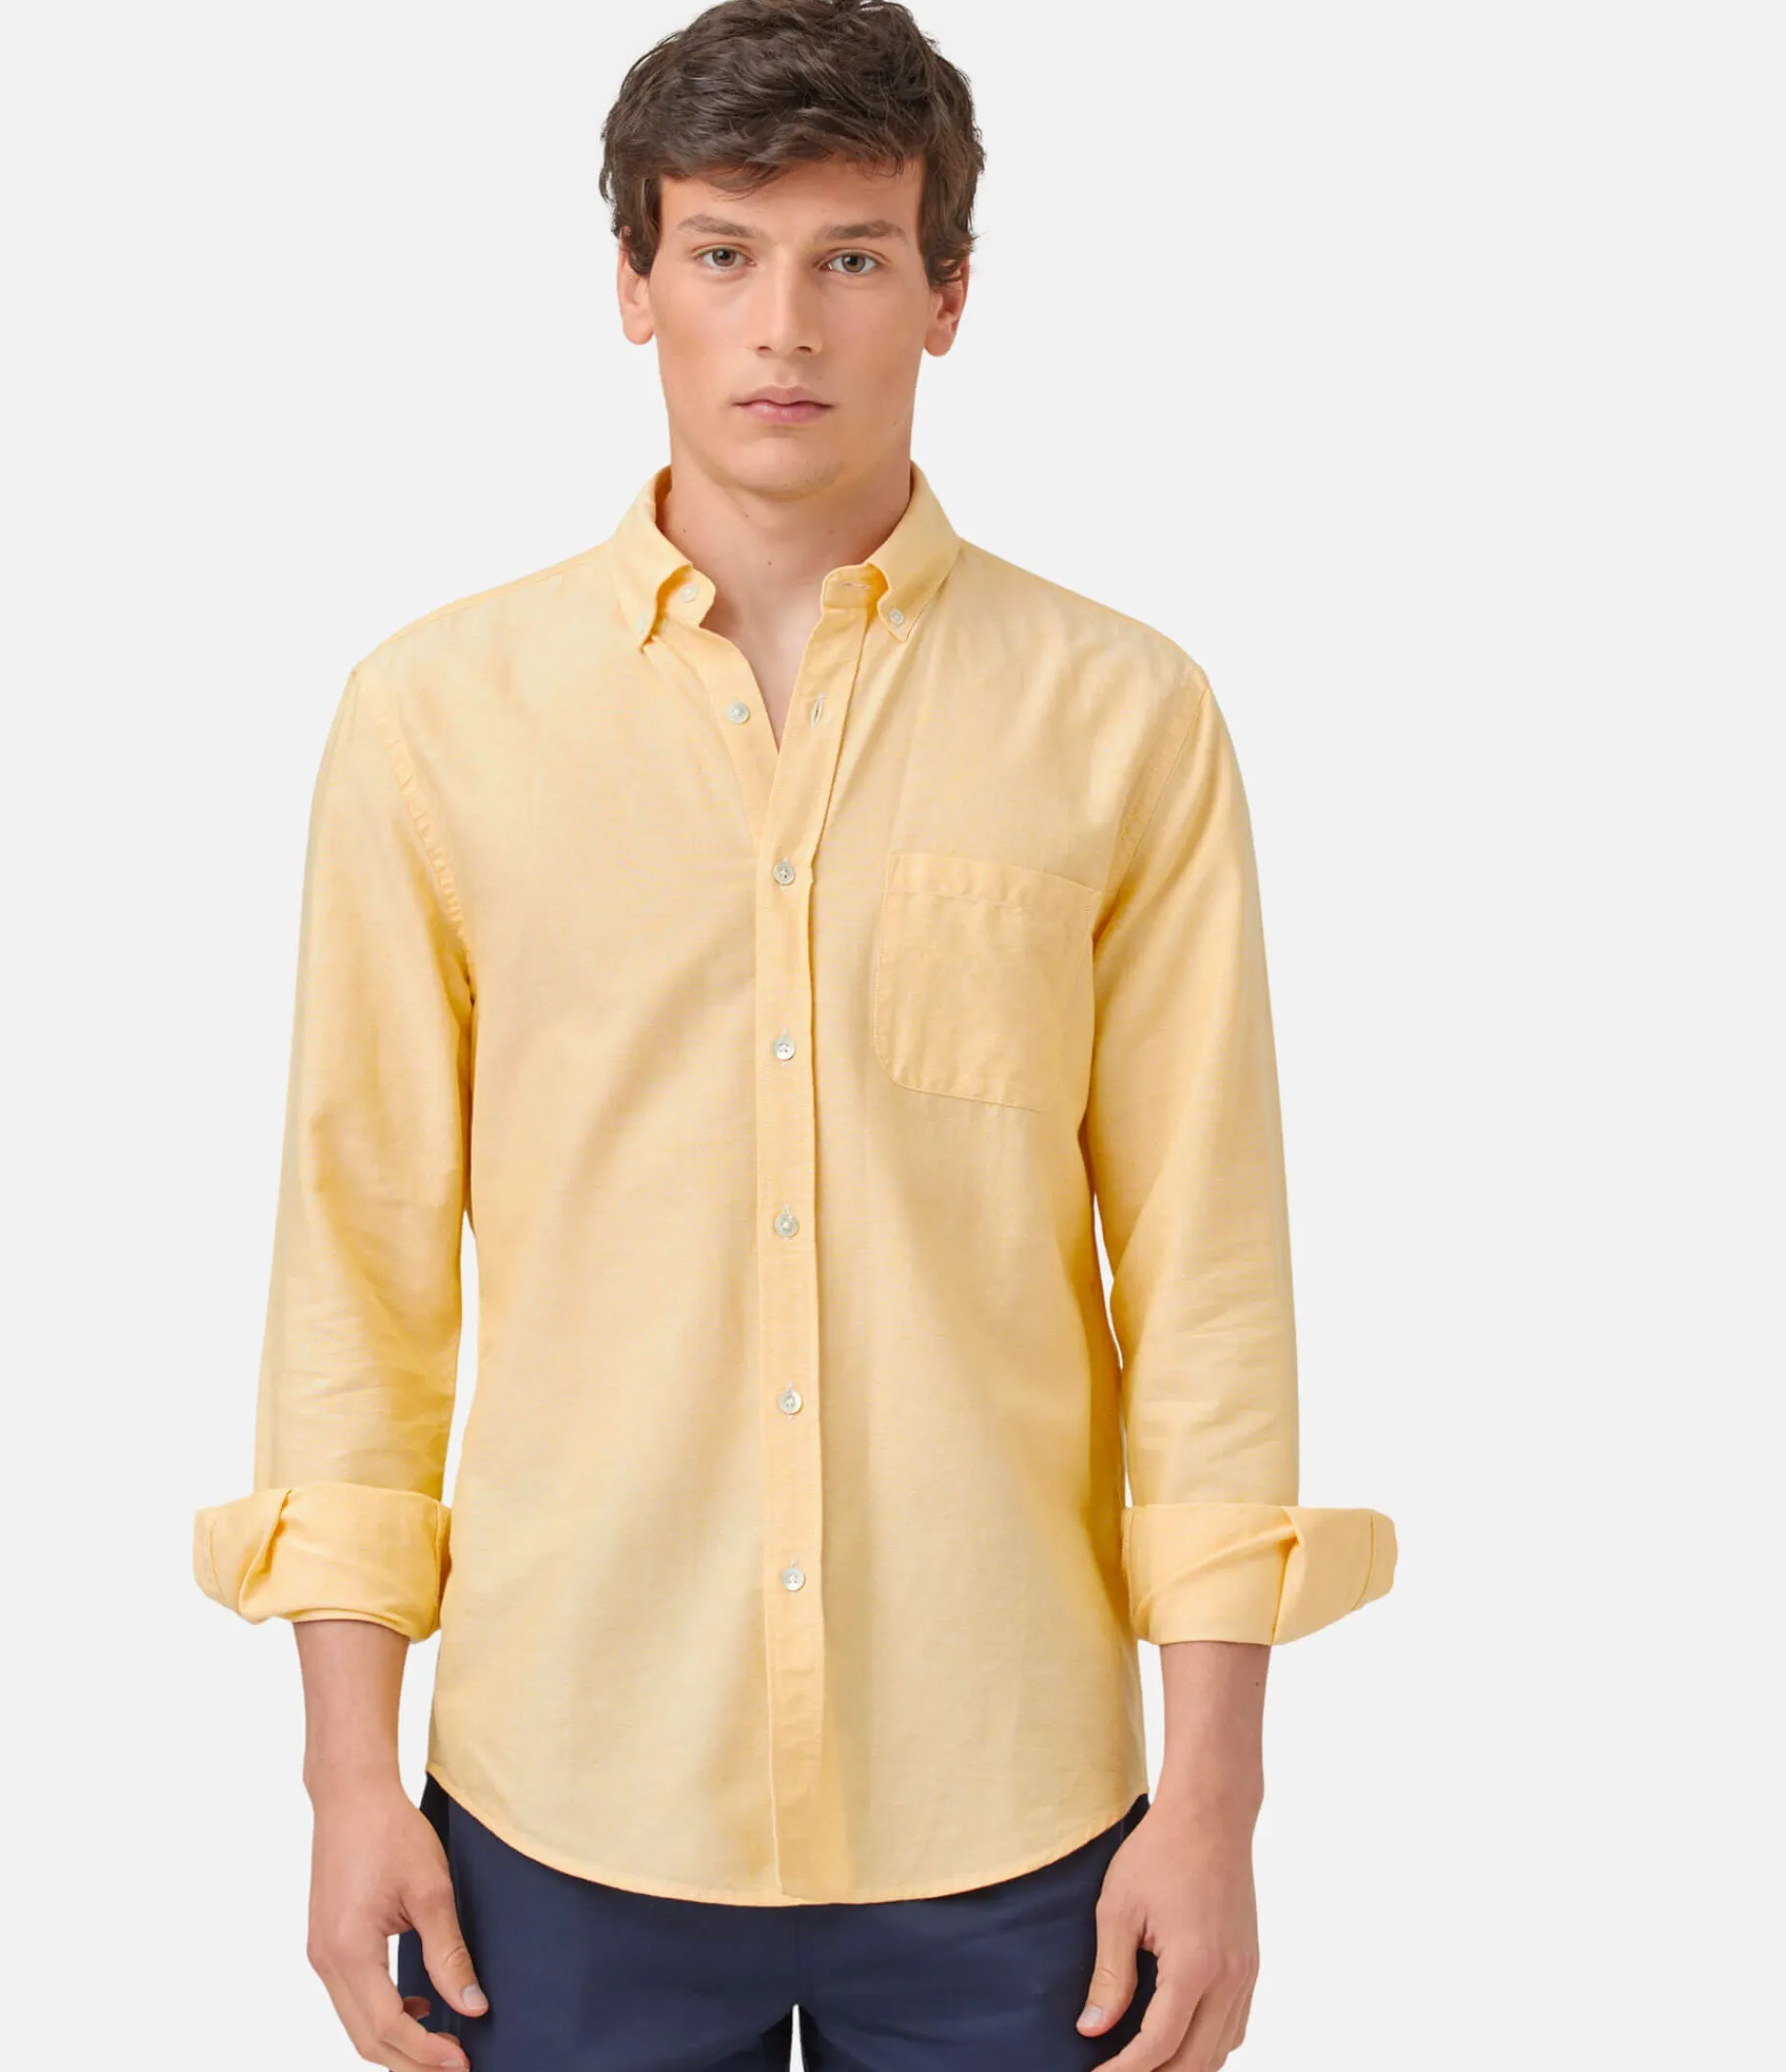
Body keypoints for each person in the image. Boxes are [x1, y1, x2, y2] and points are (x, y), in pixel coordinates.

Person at [190, 3, 1398, 2067]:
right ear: (634, 281)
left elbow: (1206, 1277)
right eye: (724, 251)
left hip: (1016, 1815)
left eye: (852, 254)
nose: (783, 324)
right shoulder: (434, 720)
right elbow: (357, 1268)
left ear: (948, 294)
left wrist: (1214, 1804)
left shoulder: (1123, 717)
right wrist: (342, 1780)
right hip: (564, 1806)